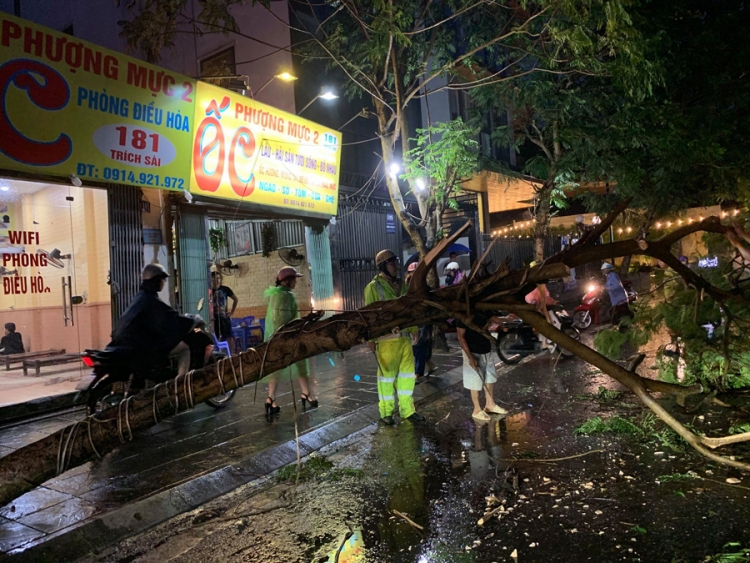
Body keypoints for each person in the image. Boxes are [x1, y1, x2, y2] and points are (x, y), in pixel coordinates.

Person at [364, 249, 424, 425]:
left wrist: (414, 329)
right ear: (383, 266)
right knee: (386, 379)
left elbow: (409, 310)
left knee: (406, 378)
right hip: (386, 341)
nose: (396, 266)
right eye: (392, 263)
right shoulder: (372, 288)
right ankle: (386, 413)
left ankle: (407, 411)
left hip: (404, 341)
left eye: (396, 262)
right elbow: (369, 316)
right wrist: (371, 340)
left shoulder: (403, 285)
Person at [111, 264, 194, 376]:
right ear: (155, 280)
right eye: (162, 279)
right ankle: (181, 386)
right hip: (142, 347)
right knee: (184, 349)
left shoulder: (141, 297)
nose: (164, 282)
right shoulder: (151, 301)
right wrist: (190, 321)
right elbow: (170, 317)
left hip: (127, 345)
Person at [263, 266, 316, 415]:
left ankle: (270, 398)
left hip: (277, 337)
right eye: (294, 279)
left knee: (276, 368)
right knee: (300, 362)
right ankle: (306, 393)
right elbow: (285, 318)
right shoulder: (286, 296)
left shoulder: (276, 294)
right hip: (289, 337)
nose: (296, 283)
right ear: (286, 281)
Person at [456, 312, 508, 422]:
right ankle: (477, 410)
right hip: (472, 351)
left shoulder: (483, 311)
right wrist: (470, 357)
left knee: (490, 377)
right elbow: (461, 337)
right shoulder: (462, 315)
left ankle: (490, 404)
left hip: (486, 349)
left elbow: (495, 319)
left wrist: (508, 318)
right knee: (475, 380)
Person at [405, 262, 435, 383]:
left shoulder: (423, 289)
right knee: (418, 347)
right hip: (415, 321)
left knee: (419, 347)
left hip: (422, 322)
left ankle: (418, 373)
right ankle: (428, 364)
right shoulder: (407, 288)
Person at [210, 270, 238, 351]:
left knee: (229, 336)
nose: (217, 280)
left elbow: (235, 299)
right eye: (214, 278)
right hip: (214, 319)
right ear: (211, 280)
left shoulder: (225, 289)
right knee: (216, 337)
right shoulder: (209, 291)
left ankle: (231, 355)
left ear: (221, 279)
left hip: (224, 317)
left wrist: (232, 312)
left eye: (218, 278)